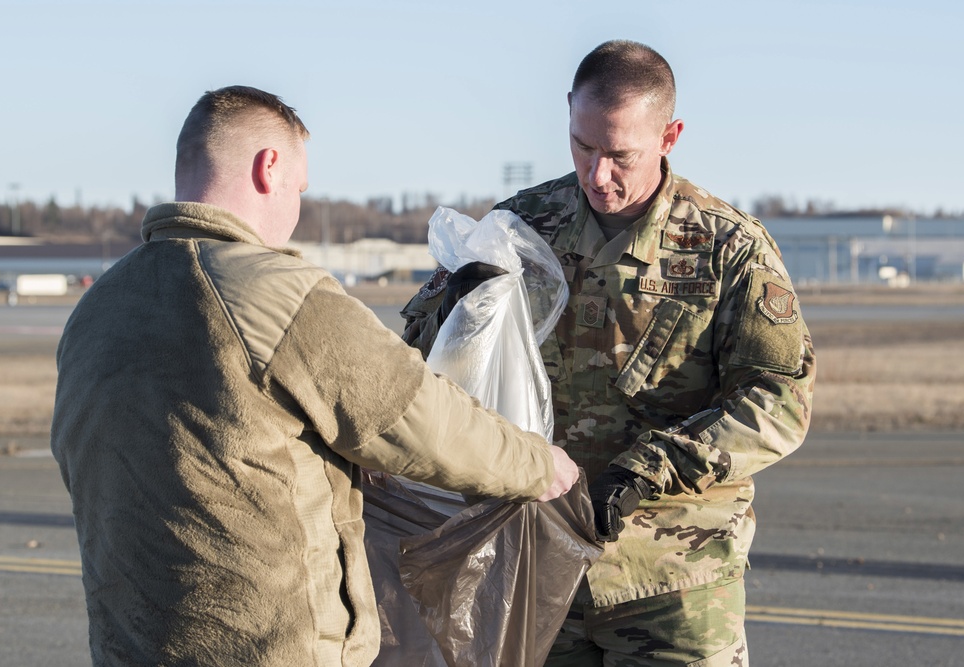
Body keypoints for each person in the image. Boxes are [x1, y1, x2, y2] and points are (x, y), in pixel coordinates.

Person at [50, 85, 579, 667]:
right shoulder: (278, 294)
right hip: (270, 647)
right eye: (300, 189)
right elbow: (418, 418)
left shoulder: (97, 309)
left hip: (130, 645)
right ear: (268, 166)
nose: (297, 210)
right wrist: (536, 462)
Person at [401, 41, 816, 666]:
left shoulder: (727, 248)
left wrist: (651, 467)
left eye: (621, 155)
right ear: (569, 114)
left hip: (673, 580)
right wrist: (450, 305)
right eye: (582, 146)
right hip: (538, 568)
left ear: (669, 135)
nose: (598, 174)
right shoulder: (521, 227)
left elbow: (779, 401)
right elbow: (424, 362)